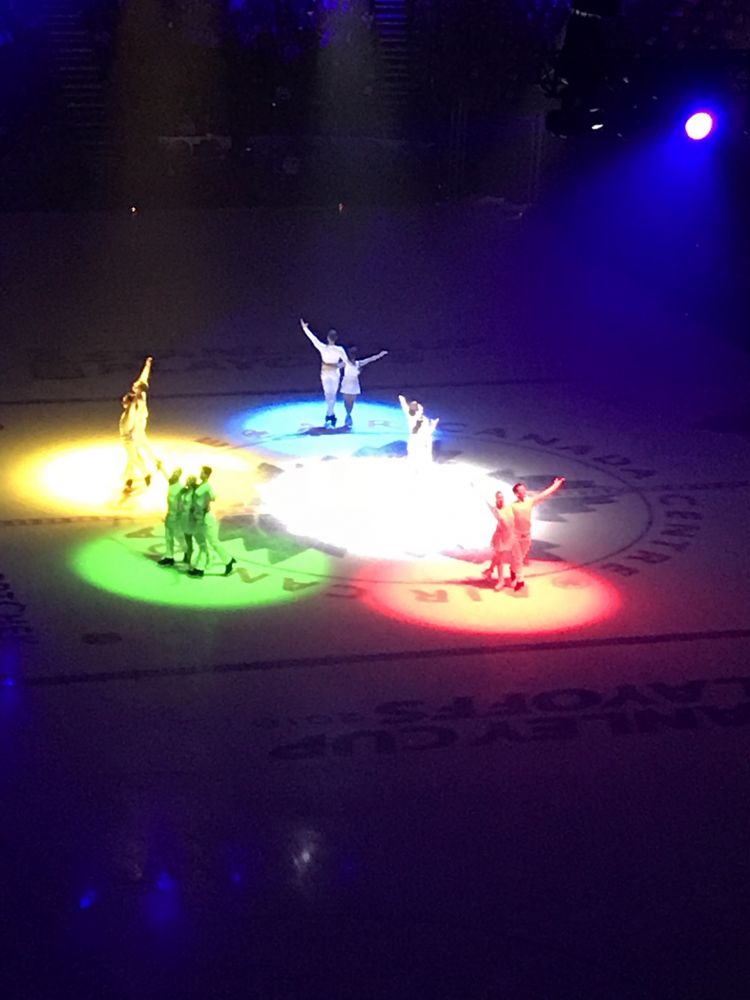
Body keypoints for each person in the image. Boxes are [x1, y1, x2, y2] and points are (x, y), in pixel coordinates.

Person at [188, 465, 236, 578]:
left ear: (206, 474)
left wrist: (205, 503)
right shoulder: (202, 485)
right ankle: (199, 568)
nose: (200, 474)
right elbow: (210, 496)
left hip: (206, 520)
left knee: (214, 542)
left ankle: (228, 560)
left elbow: (201, 495)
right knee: (202, 544)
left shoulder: (206, 486)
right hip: (198, 519)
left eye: (202, 472)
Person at [300, 318, 348, 427]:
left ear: (328, 338)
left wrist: (305, 328)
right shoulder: (340, 350)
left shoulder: (323, 348)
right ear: (336, 338)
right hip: (334, 373)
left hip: (325, 372)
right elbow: (346, 363)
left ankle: (330, 414)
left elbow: (313, 339)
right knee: (332, 394)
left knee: (328, 394)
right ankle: (330, 414)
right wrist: (336, 366)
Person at [119, 356, 156, 493]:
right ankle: (129, 479)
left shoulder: (137, 401)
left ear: (138, 389)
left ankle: (143, 473)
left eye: (136, 385)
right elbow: (143, 378)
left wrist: (130, 403)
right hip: (135, 426)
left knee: (134, 455)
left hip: (136, 427)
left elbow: (132, 413)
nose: (133, 384)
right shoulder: (139, 393)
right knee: (133, 456)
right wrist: (147, 365)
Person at [511, 477, 566, 567]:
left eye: (524, 489)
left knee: (520, 558)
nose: (524, 491)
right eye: (521, 490)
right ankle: (515, 572)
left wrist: (556, 484)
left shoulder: (529, 502)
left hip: (526, 536)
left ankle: (516, 568)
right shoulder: (512, 506)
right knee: (517, 559)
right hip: (516, 536)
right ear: (516, 493)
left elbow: (544, 494)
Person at [481, 490, 524, 592]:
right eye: (498, 497)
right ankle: (501, 580)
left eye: (501, 497)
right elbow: (486, 502)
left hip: (511, 535)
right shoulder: (495, 510)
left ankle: (490, 570)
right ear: (496, 499)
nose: (500, 499)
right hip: (501, 535)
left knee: (514, 556)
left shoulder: (509, 507)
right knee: (499, 557)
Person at [340, 346, 388, 427]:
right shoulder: (345, 363)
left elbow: (370, 359)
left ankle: (348, 415)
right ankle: (348, 415)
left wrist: (380, 355)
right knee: (346, 401)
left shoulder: (358, 363)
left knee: (351, 402)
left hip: (354, 384)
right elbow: (336, 366)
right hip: (346, 383)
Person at [156, 466, 185, 566]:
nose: (173, 474)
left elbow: (182, 504)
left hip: (176, 517)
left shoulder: (180, 488)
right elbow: (166, 476)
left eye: (176, 473)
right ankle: (169, 556)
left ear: (179, 476)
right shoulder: (172, 484)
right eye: (173, 472)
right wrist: (161, 466)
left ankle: (187, 551)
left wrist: (180, 516)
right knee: (168, 537)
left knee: (178, 536)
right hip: (169, 515)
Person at [398, 395, 439, 465]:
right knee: (413, 460)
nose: (421, 409)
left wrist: (433, 425)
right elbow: (405, 408)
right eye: (419, 407)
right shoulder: (412, 417)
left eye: (421, 408)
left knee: (423, 460)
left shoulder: (425, 419)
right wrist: (402, 400)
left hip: (422, 442)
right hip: (414, 441)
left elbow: (428, 432)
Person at [178, 474, 198, 565]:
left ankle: (189, 555)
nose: (188, 481)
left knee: (189, 538)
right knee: (186, 537)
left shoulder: (194, 493)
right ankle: (187, 553)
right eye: (188, 479)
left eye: (191, 480)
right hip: (184, 516)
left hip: (190, 517)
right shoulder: (185, 491)